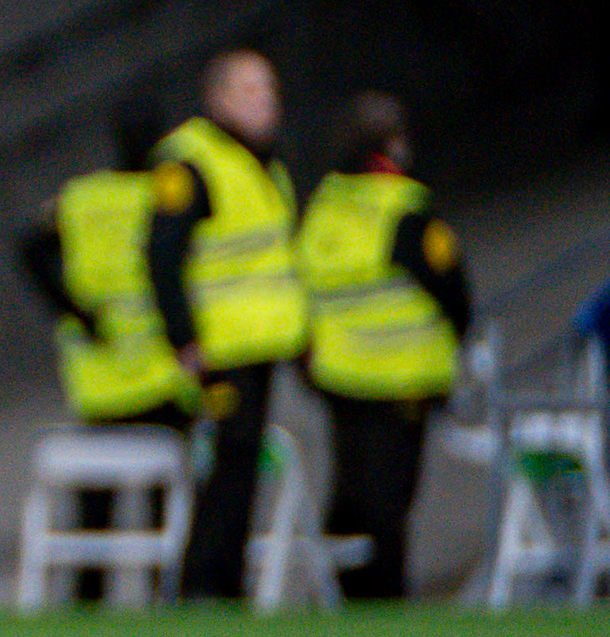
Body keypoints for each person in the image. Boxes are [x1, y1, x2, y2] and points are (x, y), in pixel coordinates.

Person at [14, 96, 191, 601]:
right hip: (162, 373)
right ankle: (165, 605)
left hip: (99, 378)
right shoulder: (168, 197)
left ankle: (86, 607)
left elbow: (31, 248)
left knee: (95, 512)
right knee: (166, 509)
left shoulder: (82, 198)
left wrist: (73, 311)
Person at [297, 94, 471, 602]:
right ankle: (385, 599)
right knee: (390, 502)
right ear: (392, 145)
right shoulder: (404, 208)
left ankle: (340, 593)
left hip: (338, 377)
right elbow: (453, 292)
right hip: (402, 379)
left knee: (349, 491)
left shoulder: (323, 206)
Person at [148, 48, 305, 601]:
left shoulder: (263, 165)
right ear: (218, 99)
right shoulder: (192, 163)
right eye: (251, 90)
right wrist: (185, 338)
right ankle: (202, 587)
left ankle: (227, 586)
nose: (266, 102)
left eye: (270, 90)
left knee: (242, 468)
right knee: (223, 470)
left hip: (260, 343)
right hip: (219, 348)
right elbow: (162, 258)